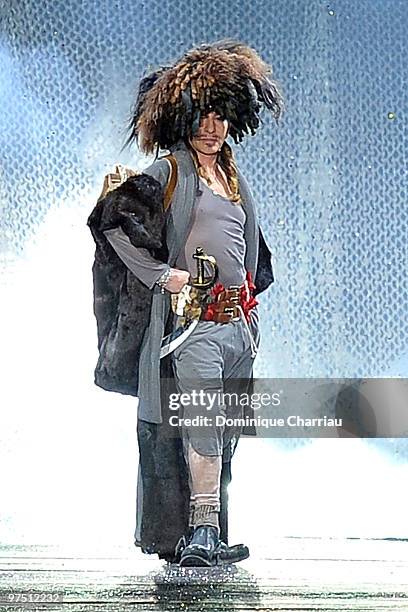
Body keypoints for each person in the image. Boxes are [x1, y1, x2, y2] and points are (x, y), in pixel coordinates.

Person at [87, 39, 284, 566]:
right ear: (182, 118)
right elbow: (113, 220)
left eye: (220, 115)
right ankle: (198, 531)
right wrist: (162, 276)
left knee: (226, 428)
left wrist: (249, 302)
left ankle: (214, 533)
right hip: (193, 325)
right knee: (201, 423)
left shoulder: (235, 179)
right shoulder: (171, 171)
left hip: (238, 327)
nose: (211, 126)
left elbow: (248, 250)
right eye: (200, 115)